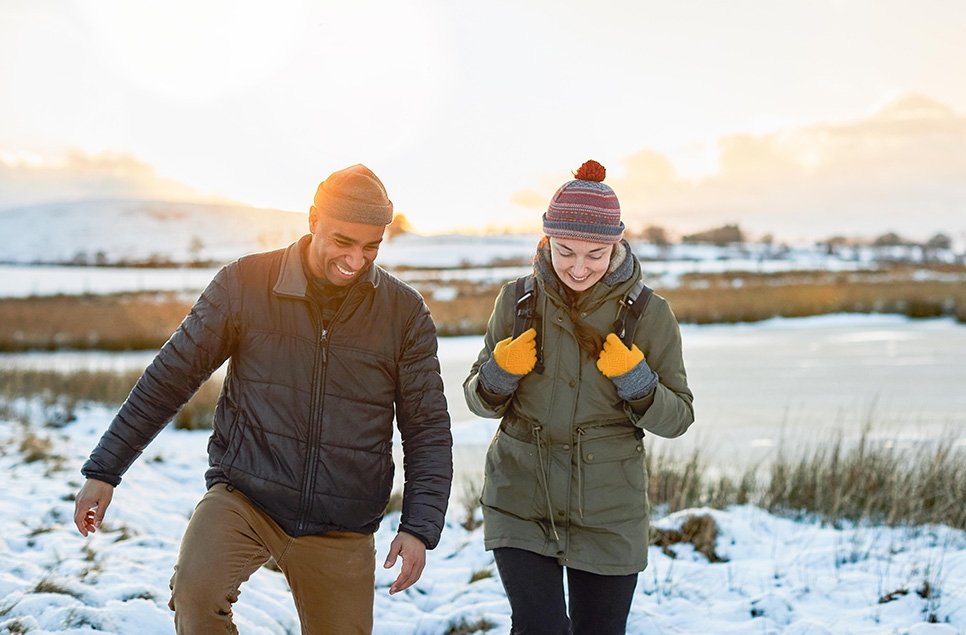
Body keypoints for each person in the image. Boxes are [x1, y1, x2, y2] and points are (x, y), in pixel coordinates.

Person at [73, 164, 454, 634]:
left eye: (371, 247)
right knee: (196, 596)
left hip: (342, 521)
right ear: (313, 219)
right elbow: (170, 377)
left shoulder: (404, 313)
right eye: (342, 242)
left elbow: (427, 430)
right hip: (246, 495)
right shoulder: (244, 284)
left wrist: (418, 527)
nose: (356, 261)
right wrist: (104, 470)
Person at [463, 160, 694, 634]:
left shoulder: (651, 315)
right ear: (547, 241)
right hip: (520, 499)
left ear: (617, 246)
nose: (579, 267)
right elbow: (477, 399)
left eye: (596, 254)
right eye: (565, 251)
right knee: (539, 628)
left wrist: (639, 383)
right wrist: (498, 373)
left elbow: (679, 417)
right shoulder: (516, 301)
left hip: (608, 511)